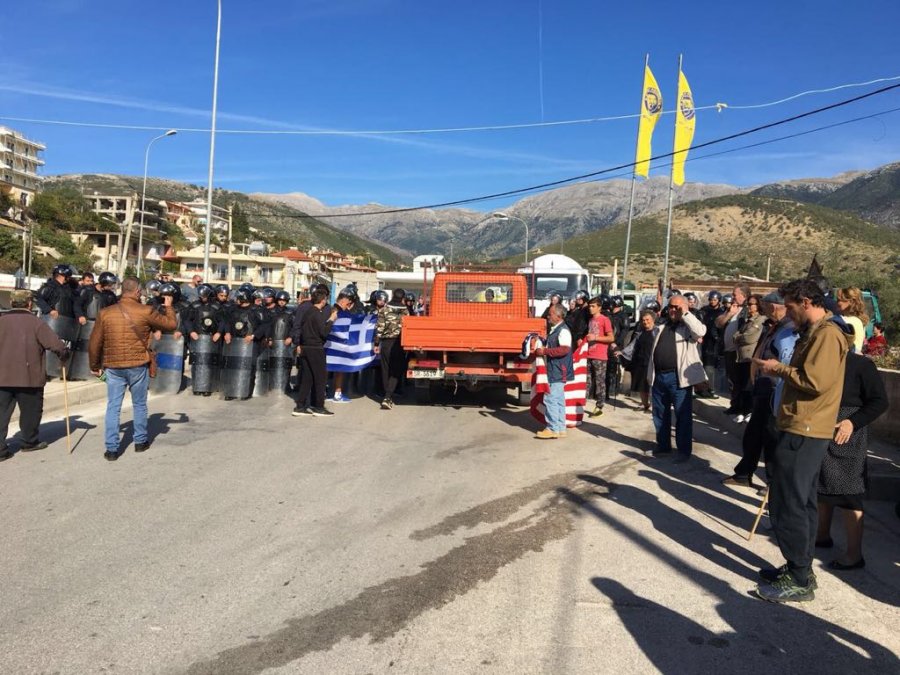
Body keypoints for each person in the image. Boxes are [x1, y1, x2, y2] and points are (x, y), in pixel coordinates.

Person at [753, 278, 854, 603]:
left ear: (806, 302)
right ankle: (800, 567)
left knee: (790, 503)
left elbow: (815, 381)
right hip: (802, 426)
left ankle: (798, 577)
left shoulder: (826, 334)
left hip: (806, 428)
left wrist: (778, 369)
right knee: (803, 501)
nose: (787, 313)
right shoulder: (817, 332)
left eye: (790, 306)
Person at [88, 277, 177, 461]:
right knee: (139, 404)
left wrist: (94, 366)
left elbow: (95, 342)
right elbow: (171, 325)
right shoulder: (146, 311)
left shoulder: (105, 313)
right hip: (137, 365)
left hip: (113, 366)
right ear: (137, 292)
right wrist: (168, 305)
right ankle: (140, 442)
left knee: (113, 406)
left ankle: (112, 449)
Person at [815, 352, 888, 571]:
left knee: (848, 492)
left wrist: (852, 423)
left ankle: (854, 555)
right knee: (822, 484)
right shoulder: (821, 359)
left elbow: (880, 401)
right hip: (822, 428)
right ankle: (822, 536)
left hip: (847, 433)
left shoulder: (861, 365)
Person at [722, 292, 797, 487]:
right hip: (762, 387)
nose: (762, 308)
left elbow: (786, 359)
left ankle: (773, 484)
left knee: (772, 438)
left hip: (775, 389)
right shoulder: (774, 327)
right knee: (754, 434)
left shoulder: (790, 329)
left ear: (775, 306)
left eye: (765, 305)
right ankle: (743, 473)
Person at [0, 291, 70, 461]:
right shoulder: (36, 323)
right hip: (29, 377)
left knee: (1, 413)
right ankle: (29, 442)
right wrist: (64, 354)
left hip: (2, 377)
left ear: (11, 302)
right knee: (31, 412)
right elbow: (56, 346)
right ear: (29, 304)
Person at [648, 295, 707, 462]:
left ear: (685, 307)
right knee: (660, 413)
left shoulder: (688, 327)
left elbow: (701, 331)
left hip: (678, 378)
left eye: (677, 307)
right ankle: (663, 446)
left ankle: (683, 451)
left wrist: (686, 314)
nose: (673, 310)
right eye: (671, 307)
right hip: (659, 376)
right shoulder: (662, 326)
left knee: (682, 415)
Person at [529, 303, 573, 439]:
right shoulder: (557, 329)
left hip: (558, 370)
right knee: (558, 399)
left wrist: (545, 351)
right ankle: (560, 428)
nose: (548, 316)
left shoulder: (563, 330)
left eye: (551, 314)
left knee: (550, 399)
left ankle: (552, 428)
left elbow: (565, 349)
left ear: (559, 316)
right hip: (558, 369)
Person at [292, 287, 337, 417]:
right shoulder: (317, 314)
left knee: (307, 378)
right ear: (323, 300)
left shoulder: (307, 312)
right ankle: (319, 406)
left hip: (305, 347)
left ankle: (300, 406)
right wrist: (331, 320)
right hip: (315, 348)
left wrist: (299, 344)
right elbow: (323, 332)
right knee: (320, 378)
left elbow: (299, 328)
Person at [716, 283, 751, 414]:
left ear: (744, 295)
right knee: (732, 380)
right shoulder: (732, 309)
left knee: (742, 380)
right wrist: (729, 314)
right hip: (728, 351)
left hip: (740, 352)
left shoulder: (748, 310)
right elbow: (718, 323)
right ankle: (735, 404)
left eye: (735, 294)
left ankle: (743, 408)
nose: (733, 297)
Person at [731, 293, 766, 422]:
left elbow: (749, 337)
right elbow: (736, 336)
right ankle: (741, 410)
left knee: (749, 385)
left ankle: (749, 410)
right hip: (741, 356)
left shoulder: (761, 319)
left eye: (752, 304)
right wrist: (740, 337)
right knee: (740, 384)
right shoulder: (747, 320)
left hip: (750, 357)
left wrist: (740, 337)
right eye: (748, 304)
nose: (749, 307)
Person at [374, 288, 409, 410]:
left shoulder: (384, 309)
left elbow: (379, 327)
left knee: (385, 369)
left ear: (393, 295)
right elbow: (408, 328)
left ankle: (386, 394)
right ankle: (388, 396)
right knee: (396, 371)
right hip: (399, 343)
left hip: (386, 343)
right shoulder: (406, 311)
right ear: (403, 298)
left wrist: (376, 344)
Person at [618, 310, 656, 412]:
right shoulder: (640, 333)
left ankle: (653, 405)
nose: (645, 322)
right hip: (640, 362)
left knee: (652, 385)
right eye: (643, 320)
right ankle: (645, 405)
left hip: (652, 362)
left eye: (647, 319)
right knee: (642, 386)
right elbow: (632, 346)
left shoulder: (657, 332)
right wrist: (622, 353)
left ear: (653, 320)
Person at [584, 296, 614, 417]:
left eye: (593, 306)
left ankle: (599, 406)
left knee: (600, 381)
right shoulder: (591, 320)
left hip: (600, 356)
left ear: (599, 307)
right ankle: (582, 403)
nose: (590, 309)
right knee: (586, 381)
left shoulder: (605, 320)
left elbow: (611, 338)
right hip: (589, 354)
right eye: (590, 306)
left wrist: (596, 338)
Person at [835, 287, 868, 354]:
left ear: (850, 302)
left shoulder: (852, 321)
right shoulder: (856, 320)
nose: (836, 303)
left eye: (839, 300)